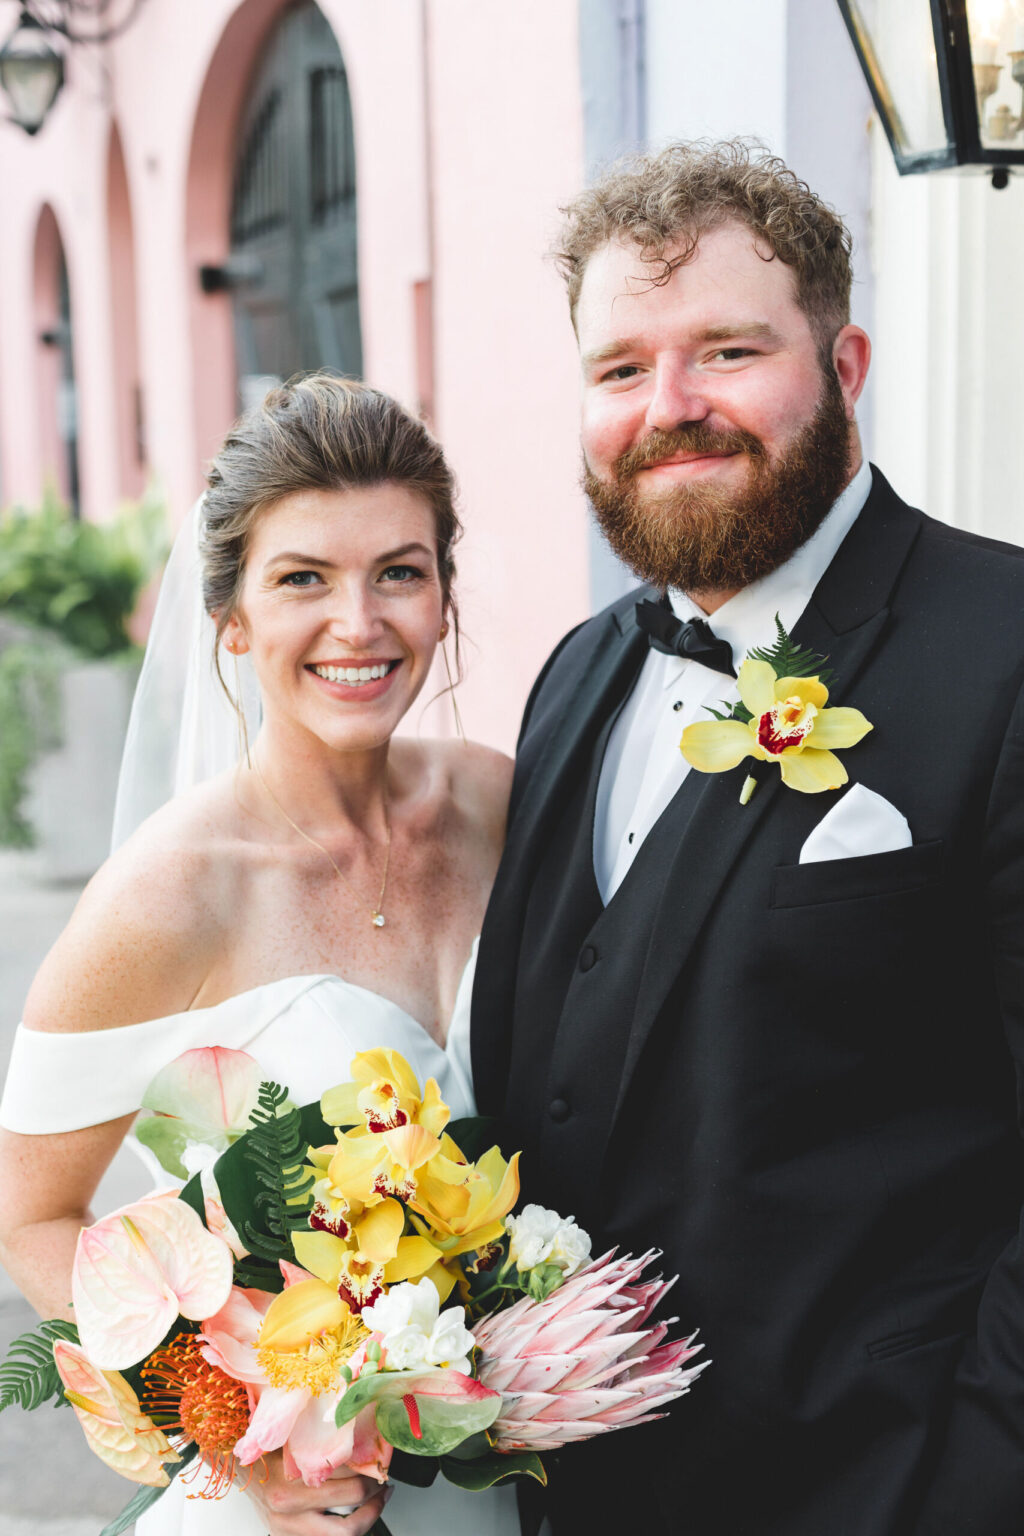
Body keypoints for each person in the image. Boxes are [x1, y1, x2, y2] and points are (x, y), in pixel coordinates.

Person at [471, 140, 1024, 1536]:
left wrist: (971, 1488)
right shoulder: (578, 674)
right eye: (620, 370)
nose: (672, 408)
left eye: (726, 350)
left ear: (844, 365)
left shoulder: (1005, 650)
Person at [0, 374, 518, 1536]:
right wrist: (238, 1430)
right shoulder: (167, 894)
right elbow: (29, 1214)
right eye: (302, 580)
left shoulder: (498, 802)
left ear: (442, 594)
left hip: (509, 1464)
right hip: (293, 1506)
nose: (359, 623)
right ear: (232, 620)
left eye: (399, 571)